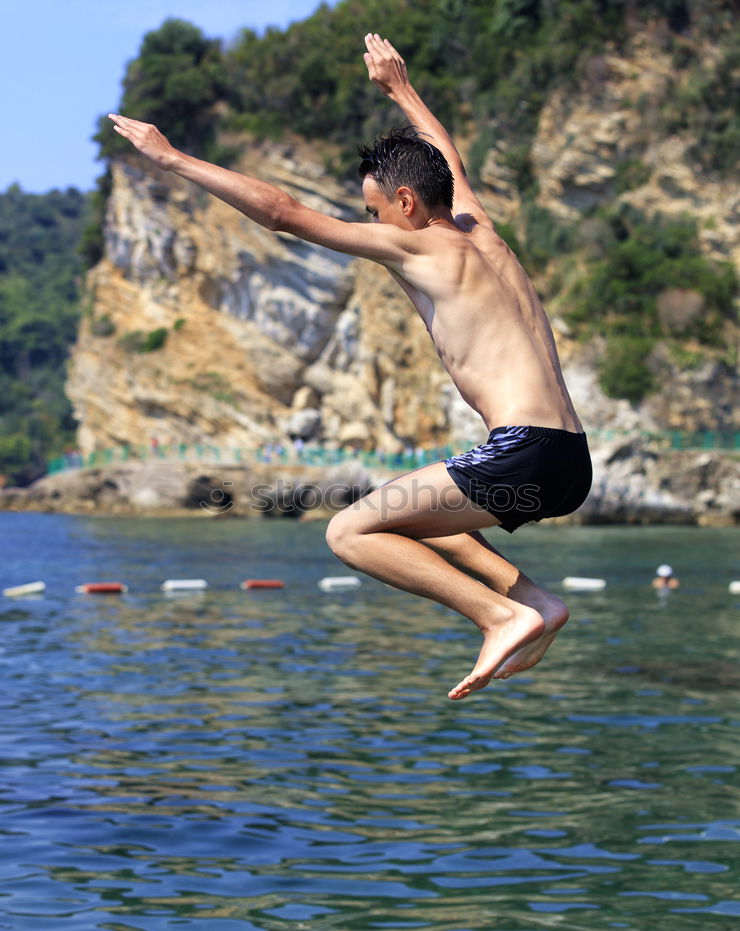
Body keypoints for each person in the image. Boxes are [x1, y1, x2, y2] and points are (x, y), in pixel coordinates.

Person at [109, 33, 592, 700]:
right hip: (570, 461)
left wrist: (171, 159)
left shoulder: (420, 248)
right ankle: (536, 603)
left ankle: (499, 615)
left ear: (405, 204)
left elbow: (284, 214)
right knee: (415, 518)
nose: (374, 227)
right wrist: (400, 89)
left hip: (524, 453)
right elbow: (447, 156)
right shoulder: (483, 232)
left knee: (349, 531)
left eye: (374, 213)